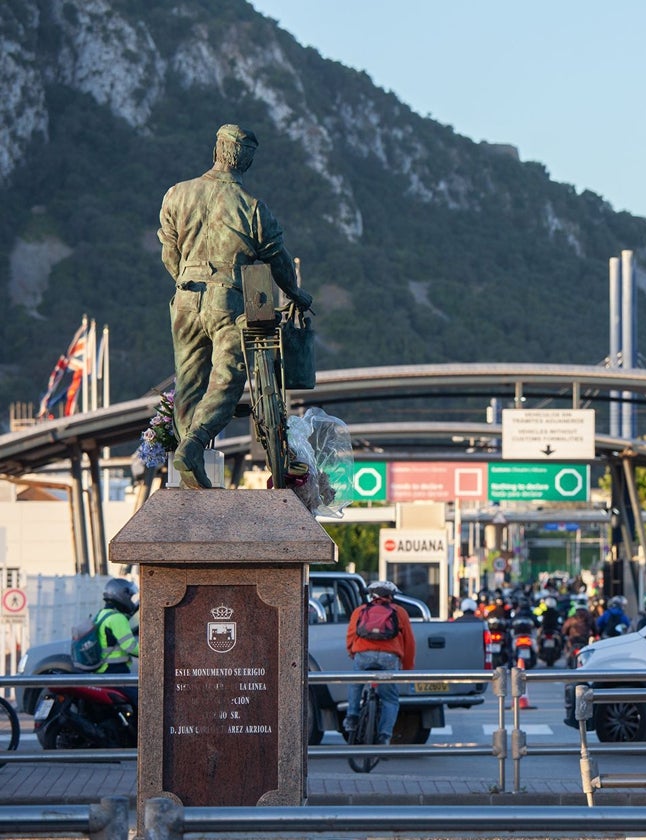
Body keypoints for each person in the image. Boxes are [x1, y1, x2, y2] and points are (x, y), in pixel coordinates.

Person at [158, 124, 313, 489]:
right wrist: (295, 294)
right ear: (246, 160)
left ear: (216, 151)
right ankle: (192, 446)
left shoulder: (176, 195)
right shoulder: (253, 209)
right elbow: (279, 262)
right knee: (227, 379)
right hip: (226, 299)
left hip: (184, 296)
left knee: (188, 381)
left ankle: (187, 456)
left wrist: (185, 279)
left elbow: (169, 252)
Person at [344, 580, 415, 744]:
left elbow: (351, 635)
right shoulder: (399, 612)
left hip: (363, 654)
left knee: (355, 684)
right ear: (391, 596)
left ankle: (352, 717)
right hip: (389, 657)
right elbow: (409, 642)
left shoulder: (360, 611)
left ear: (372, 596)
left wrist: (352, 652)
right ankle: (384, 736)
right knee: (389, 699)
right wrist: (408, 667)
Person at [96, 578, 139, 705]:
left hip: (102, 670)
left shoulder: (103, 614)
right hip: (114, 671)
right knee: (143, 700)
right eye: (130, 596)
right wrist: (154, 652)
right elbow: (131, 647)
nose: (131, 600)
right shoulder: (117, 618)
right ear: (121, 595)